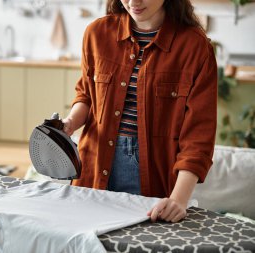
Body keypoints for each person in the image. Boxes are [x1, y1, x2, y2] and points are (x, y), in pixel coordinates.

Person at [62, 0, 217, 223]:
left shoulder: (195, 47)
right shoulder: (97, 33)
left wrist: (179, 199)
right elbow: (86, 95)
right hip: (93, 168)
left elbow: (198, 136)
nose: (133, 2)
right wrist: (70, 123)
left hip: (153, 176)